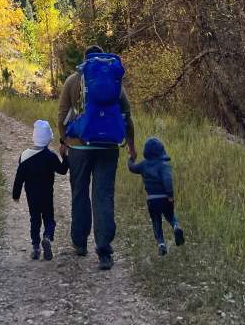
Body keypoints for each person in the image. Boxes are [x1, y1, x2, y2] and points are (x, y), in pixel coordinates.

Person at [58, 45, 136, 270]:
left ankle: (80, 242)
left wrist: (64, 141)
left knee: (80, 193)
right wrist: (131, 146)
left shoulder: (73, 80)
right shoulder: (113, 83)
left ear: (85, 61)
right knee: (103, 196)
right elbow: (126, 117)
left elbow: (63, 114)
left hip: (79, 149)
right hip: (108, 148)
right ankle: (104, 251)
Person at [12, 119, 69, 260]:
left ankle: (36, 247)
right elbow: (62, 171)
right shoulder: (50, 156)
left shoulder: (25, 156)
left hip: (32, 196)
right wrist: (65, 156)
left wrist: (16, 194)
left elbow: (19, 178)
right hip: (47, 195)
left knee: (35, 220)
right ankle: (48, 237)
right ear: (49, 139)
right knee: (49, 219)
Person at [128, 136, 185, 256]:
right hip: (164, 197)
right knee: (170, 215)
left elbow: (132, 168)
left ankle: (161, 244)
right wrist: (170, 195)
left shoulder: (143, 165)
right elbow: (167, 180)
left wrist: (131, 158)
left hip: (152, 199)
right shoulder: (164, 165)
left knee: (156, 221)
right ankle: (176, 226)